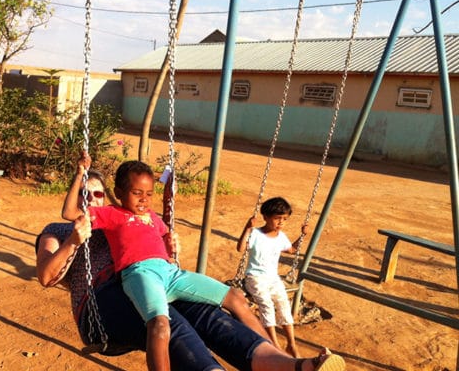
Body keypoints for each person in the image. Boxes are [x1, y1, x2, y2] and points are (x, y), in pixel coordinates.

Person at [60, 154, 344, 371]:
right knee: (160, 326)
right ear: (120, 194)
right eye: (137, 194)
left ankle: (275, 360)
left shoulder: (154, 218)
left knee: (234, 297)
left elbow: (165, 230)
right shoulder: (113, 214)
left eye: (149, 193)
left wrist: (169, 236)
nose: (145, 200)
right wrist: (80, 173)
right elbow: (69, 211)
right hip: (140, 274)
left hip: (172, 273)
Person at [237, 197, 306, 358]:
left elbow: (291, 250)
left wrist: (303, 235)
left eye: (284, 219)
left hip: (273, 278)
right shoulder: (255, 233)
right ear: (266, 217)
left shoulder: (281, 236)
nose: (281, 222)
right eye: (277, 218)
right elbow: (240, 248)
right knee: (266, 304)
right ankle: (275, 344)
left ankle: (291, 344)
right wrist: (247, 228)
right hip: (254, 277)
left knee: (283, 303)